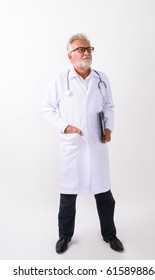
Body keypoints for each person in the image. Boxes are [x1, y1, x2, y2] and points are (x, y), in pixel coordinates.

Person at [41, 33, 124, 254]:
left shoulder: (101, 78)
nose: (86, 52)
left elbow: (109, 107)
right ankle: (64, 236)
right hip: (73, 147)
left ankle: (110, 234)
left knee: (104, 194)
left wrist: (108, 128)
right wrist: (64, 126)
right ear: (70, 56)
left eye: (89, 49)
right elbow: (47, 109)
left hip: (96, 145)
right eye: (81, 49)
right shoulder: (60, 81)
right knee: (68, 196)